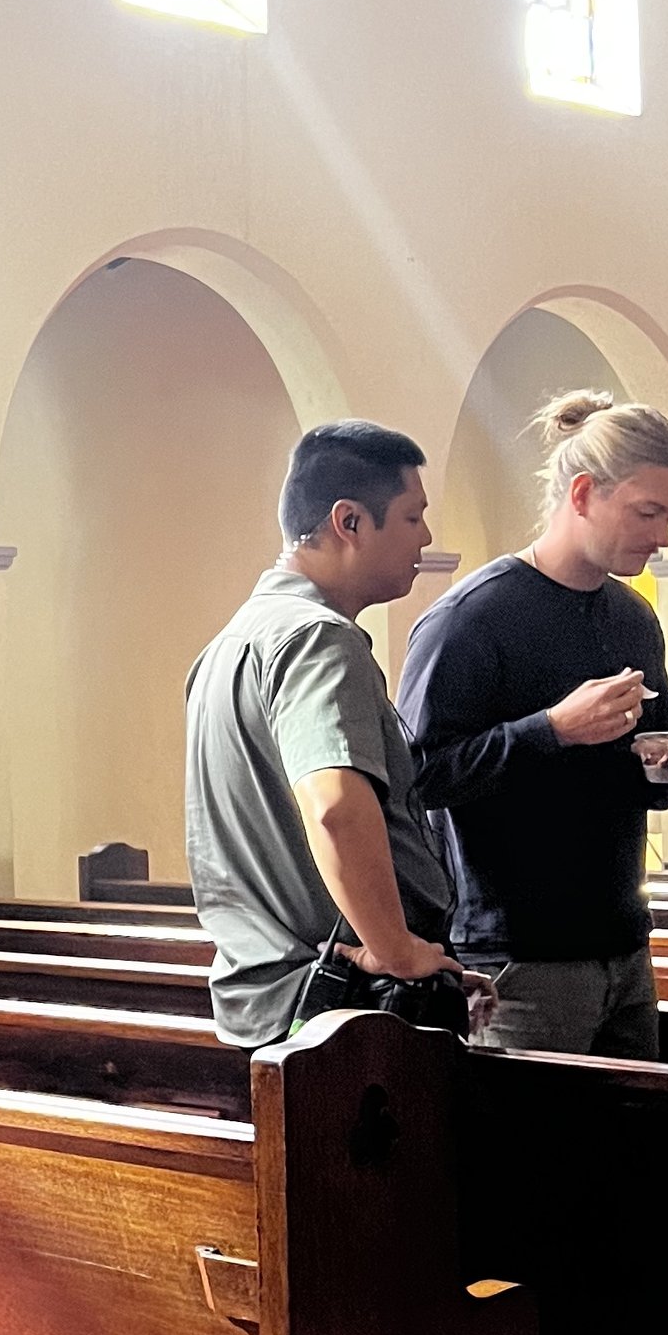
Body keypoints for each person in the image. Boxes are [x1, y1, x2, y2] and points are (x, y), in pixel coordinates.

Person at [397, 390, 668, 1335]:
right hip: (515, 949)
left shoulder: (631, 618)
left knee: (607, 1192)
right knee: (527, 1199)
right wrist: (546, 730)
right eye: (649, 511)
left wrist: (666, 772)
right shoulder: (474, 616)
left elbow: (636, 760)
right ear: (582, 494)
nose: (662, 534)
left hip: (619, 935)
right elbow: (418, 774)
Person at [185, 422, 463, 1056]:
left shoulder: (228, 645)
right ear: (350, 522)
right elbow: (336, 807)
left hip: (277, 999)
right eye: (413, 517)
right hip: (340, 1013)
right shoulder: (318, 639)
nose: (425, 538)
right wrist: (397, 951)